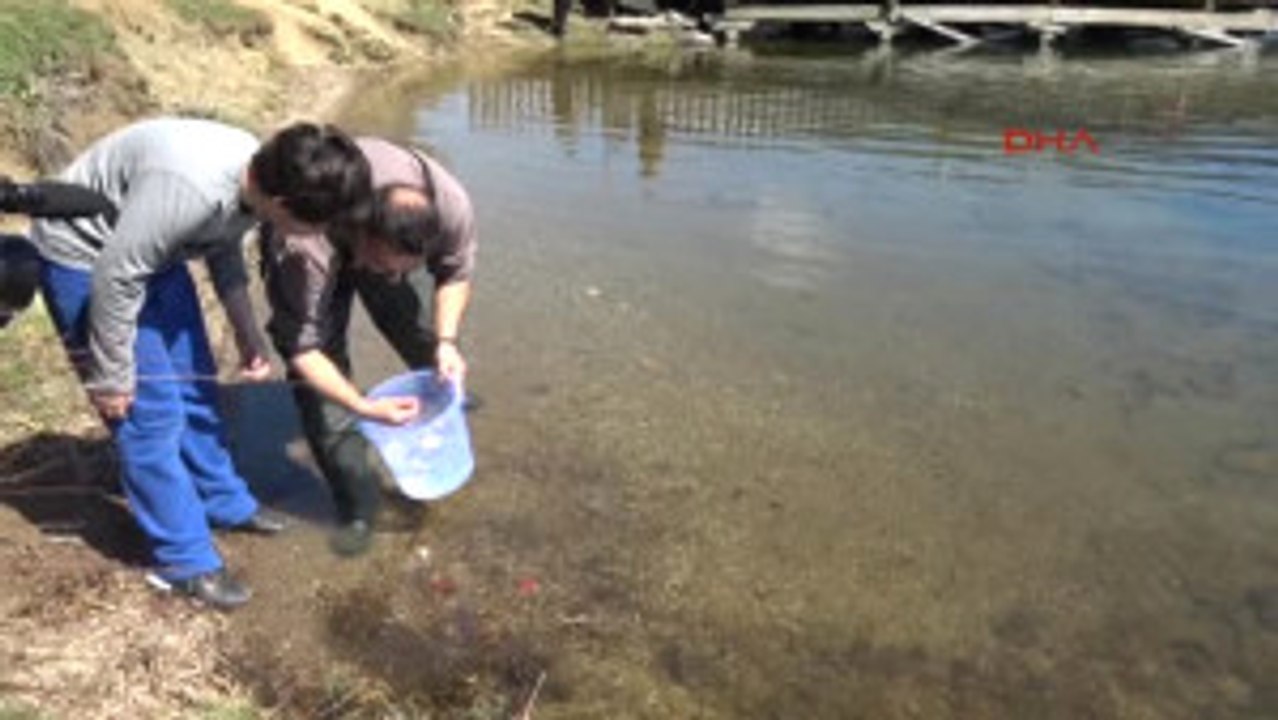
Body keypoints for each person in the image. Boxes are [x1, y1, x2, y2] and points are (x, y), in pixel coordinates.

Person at [29, 117, 373, 609]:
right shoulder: (191, 191)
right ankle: (184, 562)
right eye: (317, 224)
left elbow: (222, 246)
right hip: (87, 258)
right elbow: (115, 277)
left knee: (196, 389)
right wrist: (111, 375)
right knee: (149, 418)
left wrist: (246, 331)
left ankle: (222, 502)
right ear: (282, 204)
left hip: (154, 252)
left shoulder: (258, 180)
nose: (322, 234)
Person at [260, 136, 476, 557]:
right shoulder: (303, 246)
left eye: (403, 269)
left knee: (422, 330)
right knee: (326, 400)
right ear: (360, 235)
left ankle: (445, 396)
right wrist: (360, 405)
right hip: (319, 244)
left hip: (381, 239)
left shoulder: (449, 205)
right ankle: (357, 505)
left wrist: (447, 342)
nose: (389, 277)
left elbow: (455, 273)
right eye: (380, 265)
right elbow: (304, 348)